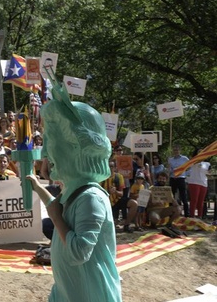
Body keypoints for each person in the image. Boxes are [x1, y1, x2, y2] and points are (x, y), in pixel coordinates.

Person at [26, 82, 121, 301]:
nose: (46, 148)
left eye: (52, 138)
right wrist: (41, 190)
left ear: (75, 147)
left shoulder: (91, 198)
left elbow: (79, 252)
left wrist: (56, 217)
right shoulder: (74, 191)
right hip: (67, 291)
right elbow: (57, 209)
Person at [102, 160, 138, 233]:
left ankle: (126, 225)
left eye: (111, 166)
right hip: (106, 203)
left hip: (117, 200)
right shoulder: (102, 178)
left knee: (134, 204)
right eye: (108, 166)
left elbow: (121, 193)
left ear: (115, 168)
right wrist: (108, 192)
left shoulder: (119, 177)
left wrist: (115, 191)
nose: (110, 168)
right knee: (111, 227)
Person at [187, 149, 211, 218]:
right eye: (199, 152)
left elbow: (208, 172)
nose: (201, 153)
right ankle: (192, 216)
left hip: (203, 183)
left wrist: (209, 172)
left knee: (201, 201)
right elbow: (189, 165)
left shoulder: (207, 164)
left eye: (202, 152)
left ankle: (200, 216)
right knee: (194, 200)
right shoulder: (193, 161)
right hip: (194, 182)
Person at [167, 144, 190, 217]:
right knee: (171, 196)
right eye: (174, 150)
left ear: (180, 150)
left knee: (183, 196)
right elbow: (169, 171)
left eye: (177, 150)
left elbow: (190, 167)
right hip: (173, 178)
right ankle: (171, 213)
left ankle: (187, 214)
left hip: (181, 178)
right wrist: (169, 168)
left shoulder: (185, 159)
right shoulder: (170, 159)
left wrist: (185, 173)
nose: (176, 151)